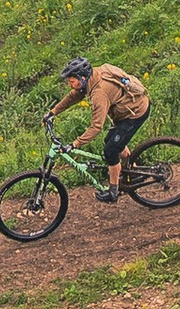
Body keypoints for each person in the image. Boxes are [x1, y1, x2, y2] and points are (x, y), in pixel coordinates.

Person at [50, 51, 148, 199]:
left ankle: (113, 192)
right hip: (126, 110)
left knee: (110, 150)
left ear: (82, 78)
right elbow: (74, 96)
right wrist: (53, 112)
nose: (70, 85)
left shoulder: (99, 93)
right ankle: (132, 170)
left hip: (135, 112)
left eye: (71, 81)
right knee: (111, 140)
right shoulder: (93, 76)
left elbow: (96, 127)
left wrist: (75, 144)